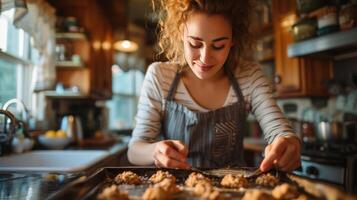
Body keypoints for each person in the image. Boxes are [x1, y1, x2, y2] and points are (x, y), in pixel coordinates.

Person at [127, 0, 301, 172]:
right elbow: (134, 150)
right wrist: (154, 151)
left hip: (232, 189)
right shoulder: (160, 76)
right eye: (195, 44)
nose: (205, 58)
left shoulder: (249, 76)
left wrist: (288, 143)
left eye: (218, 46)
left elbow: (279, 131)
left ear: (233, 40)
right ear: (181, 33)